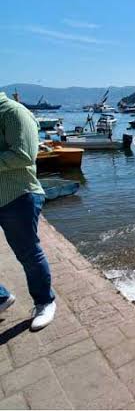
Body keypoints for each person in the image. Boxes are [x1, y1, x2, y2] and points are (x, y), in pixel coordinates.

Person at [0, 91, 56, 331]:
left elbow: (23, 155)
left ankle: (45, 302)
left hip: (18, 196)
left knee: (28, 253)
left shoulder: (13, 112)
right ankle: (2, 297)